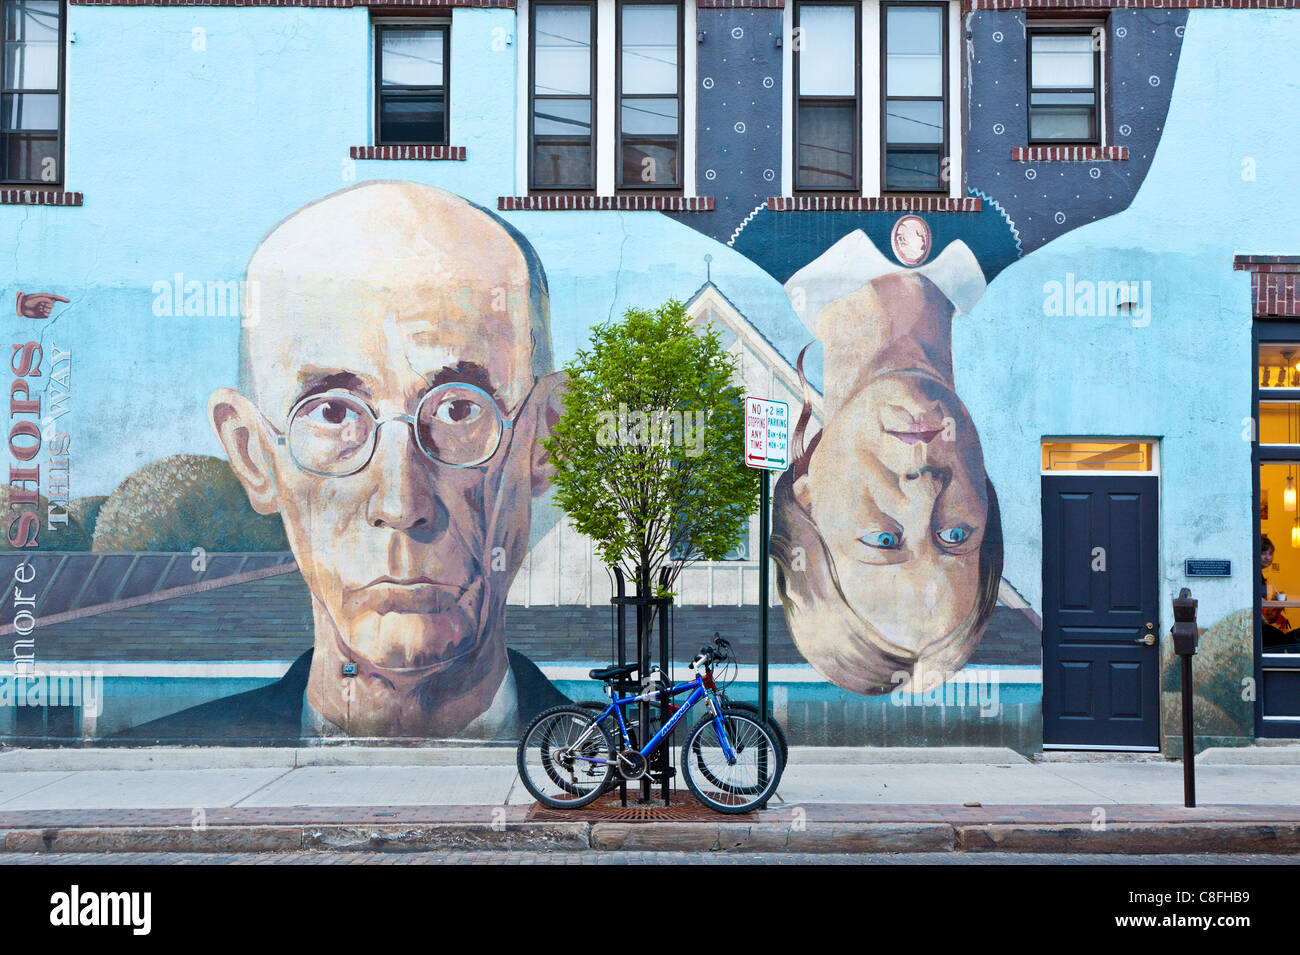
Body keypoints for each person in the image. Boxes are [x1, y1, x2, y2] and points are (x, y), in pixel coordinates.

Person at [117, 181, 569, 741]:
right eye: (332, 413)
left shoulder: (618, 758)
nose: (401, 503)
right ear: (254, 455)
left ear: (545, 440)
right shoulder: (170, 760)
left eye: (457, 410)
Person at [771, 227, 1003, 696]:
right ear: (984, 500)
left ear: (807, 495)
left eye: (882, 539)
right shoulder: (1012, 233)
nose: (925, 488)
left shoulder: (760, 226)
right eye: (955, 536)